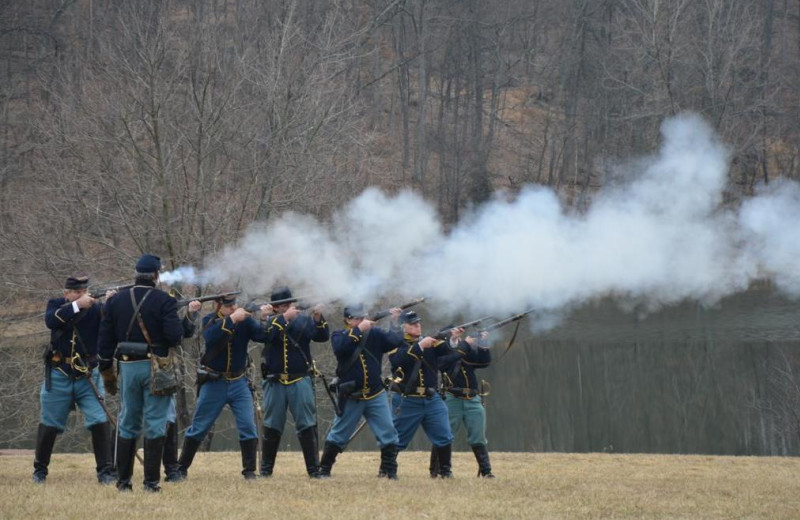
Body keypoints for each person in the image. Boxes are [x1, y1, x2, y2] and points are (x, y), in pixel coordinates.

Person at [98, 254, 183, 492]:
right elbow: (174, 337)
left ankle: (123, 483)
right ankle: (151, 484)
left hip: (127, 367)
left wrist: (106, 367)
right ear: (156, 275)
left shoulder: (115, 301)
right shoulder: (164, 300)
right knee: (155, 424)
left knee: (127, 422)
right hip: (155, 368)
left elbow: (105, 339)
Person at [34, 274, 115, 484]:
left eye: (83, 292)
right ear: (67, 294)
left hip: (88, 374)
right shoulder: (57, 305)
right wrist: (78, 305)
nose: (81, 295)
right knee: (50, 422)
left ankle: (105, 471)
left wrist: (112, 303)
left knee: (99, 419)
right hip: (59, 373)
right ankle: (40, 471)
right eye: (76, 292)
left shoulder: (96, 308)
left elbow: (112, 328)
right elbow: (51, 321)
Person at [176, 294, 267, 480]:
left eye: (234, 305)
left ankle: (249, 471)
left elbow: (263, 336)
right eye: (228, 306)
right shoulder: (210, 320)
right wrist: (233, 319)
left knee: (248, 426)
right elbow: (211, 337)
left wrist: (265, 317)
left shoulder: (245, 321)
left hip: (239, 382)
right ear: (218, 306)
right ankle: (181, 468)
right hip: (214, 382)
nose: (233, 308)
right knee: (199, 427)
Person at [318, 304, 405, 479]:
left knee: (388, 432)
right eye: (356, 318)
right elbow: (341, 348)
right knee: (339, 434)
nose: (361, 320)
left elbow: (395, 341)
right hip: (351, 396)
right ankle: (324, 469)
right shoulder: (339, 335)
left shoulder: (375, 334)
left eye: (362, 317)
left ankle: (389, 471)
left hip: (375, 393)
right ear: (348, 320)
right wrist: (358, 330)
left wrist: (396, 323)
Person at [260, 286, 329, 478]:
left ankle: (314, 470)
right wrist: (284, 318)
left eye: (289, 304)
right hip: (275, 382)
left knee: (307, 424)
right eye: (283, 305)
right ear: (275, 308)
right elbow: (267, 336)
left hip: (300, 380)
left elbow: (322, 337)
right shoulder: (268, 322)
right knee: (272, 425)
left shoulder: (303, 321)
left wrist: (317, 317)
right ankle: (266, 471)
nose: (288, 307)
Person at [388, 310, 455, 477]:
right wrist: (420, 346)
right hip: (408, 399)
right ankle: (388, 470)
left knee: (444, 435)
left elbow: (450, 354)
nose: (417, 326)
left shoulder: (429, 341)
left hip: (431, 397)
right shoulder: (395, 343)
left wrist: (452, 337)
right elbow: (398, 361)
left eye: (418, 324)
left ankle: (445, 472)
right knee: (398, 439)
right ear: (403, 327)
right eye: (413, 324)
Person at [432, 327, 494, 478]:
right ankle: (439, 471)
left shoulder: (465, 350)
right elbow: (447, 361)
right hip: (452, 398)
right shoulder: (441, 352)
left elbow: (483, 362)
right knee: (445, 435)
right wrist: (464, 344)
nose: (457, 337)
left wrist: (483, 344)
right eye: (453, 335)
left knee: (478, 436)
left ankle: (486, 472)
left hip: (473, 398)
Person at [163, 299, 202, 483]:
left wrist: (190, 314)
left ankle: (172, 470)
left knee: (168, 418)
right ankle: (170, 471)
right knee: (165, 418)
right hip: (158, 369)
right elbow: (175, 336)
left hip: (159, 368)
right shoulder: (161, 306)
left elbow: (183, 333)